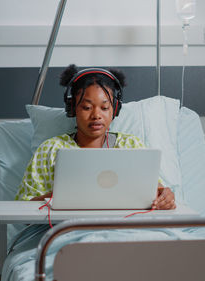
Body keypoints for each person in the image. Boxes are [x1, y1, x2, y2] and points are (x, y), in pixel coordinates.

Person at [15, 64, 176, 210]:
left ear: (115, 109)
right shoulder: (51, 149)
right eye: (86, 107)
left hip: (126, 229)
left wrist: (166, 197)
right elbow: (23, 208)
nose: (96, 115)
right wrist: (57, 197)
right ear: (72, 109)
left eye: (105, 107)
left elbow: (158, 191)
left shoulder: (132, 146)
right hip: (68, 231)